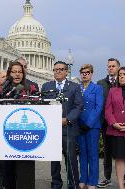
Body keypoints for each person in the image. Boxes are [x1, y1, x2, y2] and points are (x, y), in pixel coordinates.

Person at [0, 61, 38, 189]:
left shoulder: (31, 88)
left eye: (20, 72)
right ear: (9, 74)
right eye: (14, 72)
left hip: (26, 136)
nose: (17, 74)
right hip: (7, 136)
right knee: (7, 172)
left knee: (25, 172)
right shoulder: (2, 89)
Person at [41, 61, 83, 189]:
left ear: (66, 72)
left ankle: (73, 184)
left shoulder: (74, 86)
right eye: (55, 69)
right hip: (52, 129)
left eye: (60, 69)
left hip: (68, 128)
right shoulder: (46, 86)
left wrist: (68, 119)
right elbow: (42, 105)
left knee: (71, 160)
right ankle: (56, 184)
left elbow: (79, 106)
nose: (57, 71)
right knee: (54, 159)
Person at [97, 58, 125, 188]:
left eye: (113, 66)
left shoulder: (123, 83)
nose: (110, 68)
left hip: (122, 124)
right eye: (109, 66)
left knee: (123, 152)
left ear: (118, 68)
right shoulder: (100, 83)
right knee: (108, 152)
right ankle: (107, 178)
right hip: (106, 123)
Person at [77, 64, 103, 189]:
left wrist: (89, 123)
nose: (84, 74)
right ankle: (83, 179)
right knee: (82, 153)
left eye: (87, 72)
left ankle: (92, 181)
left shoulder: (97, 88)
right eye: (82, 72)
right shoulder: (77, 88)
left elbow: (98, 107)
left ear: (91, 74)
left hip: (92, 126)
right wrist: (79, 122)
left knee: (92, 154)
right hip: (79, 125)